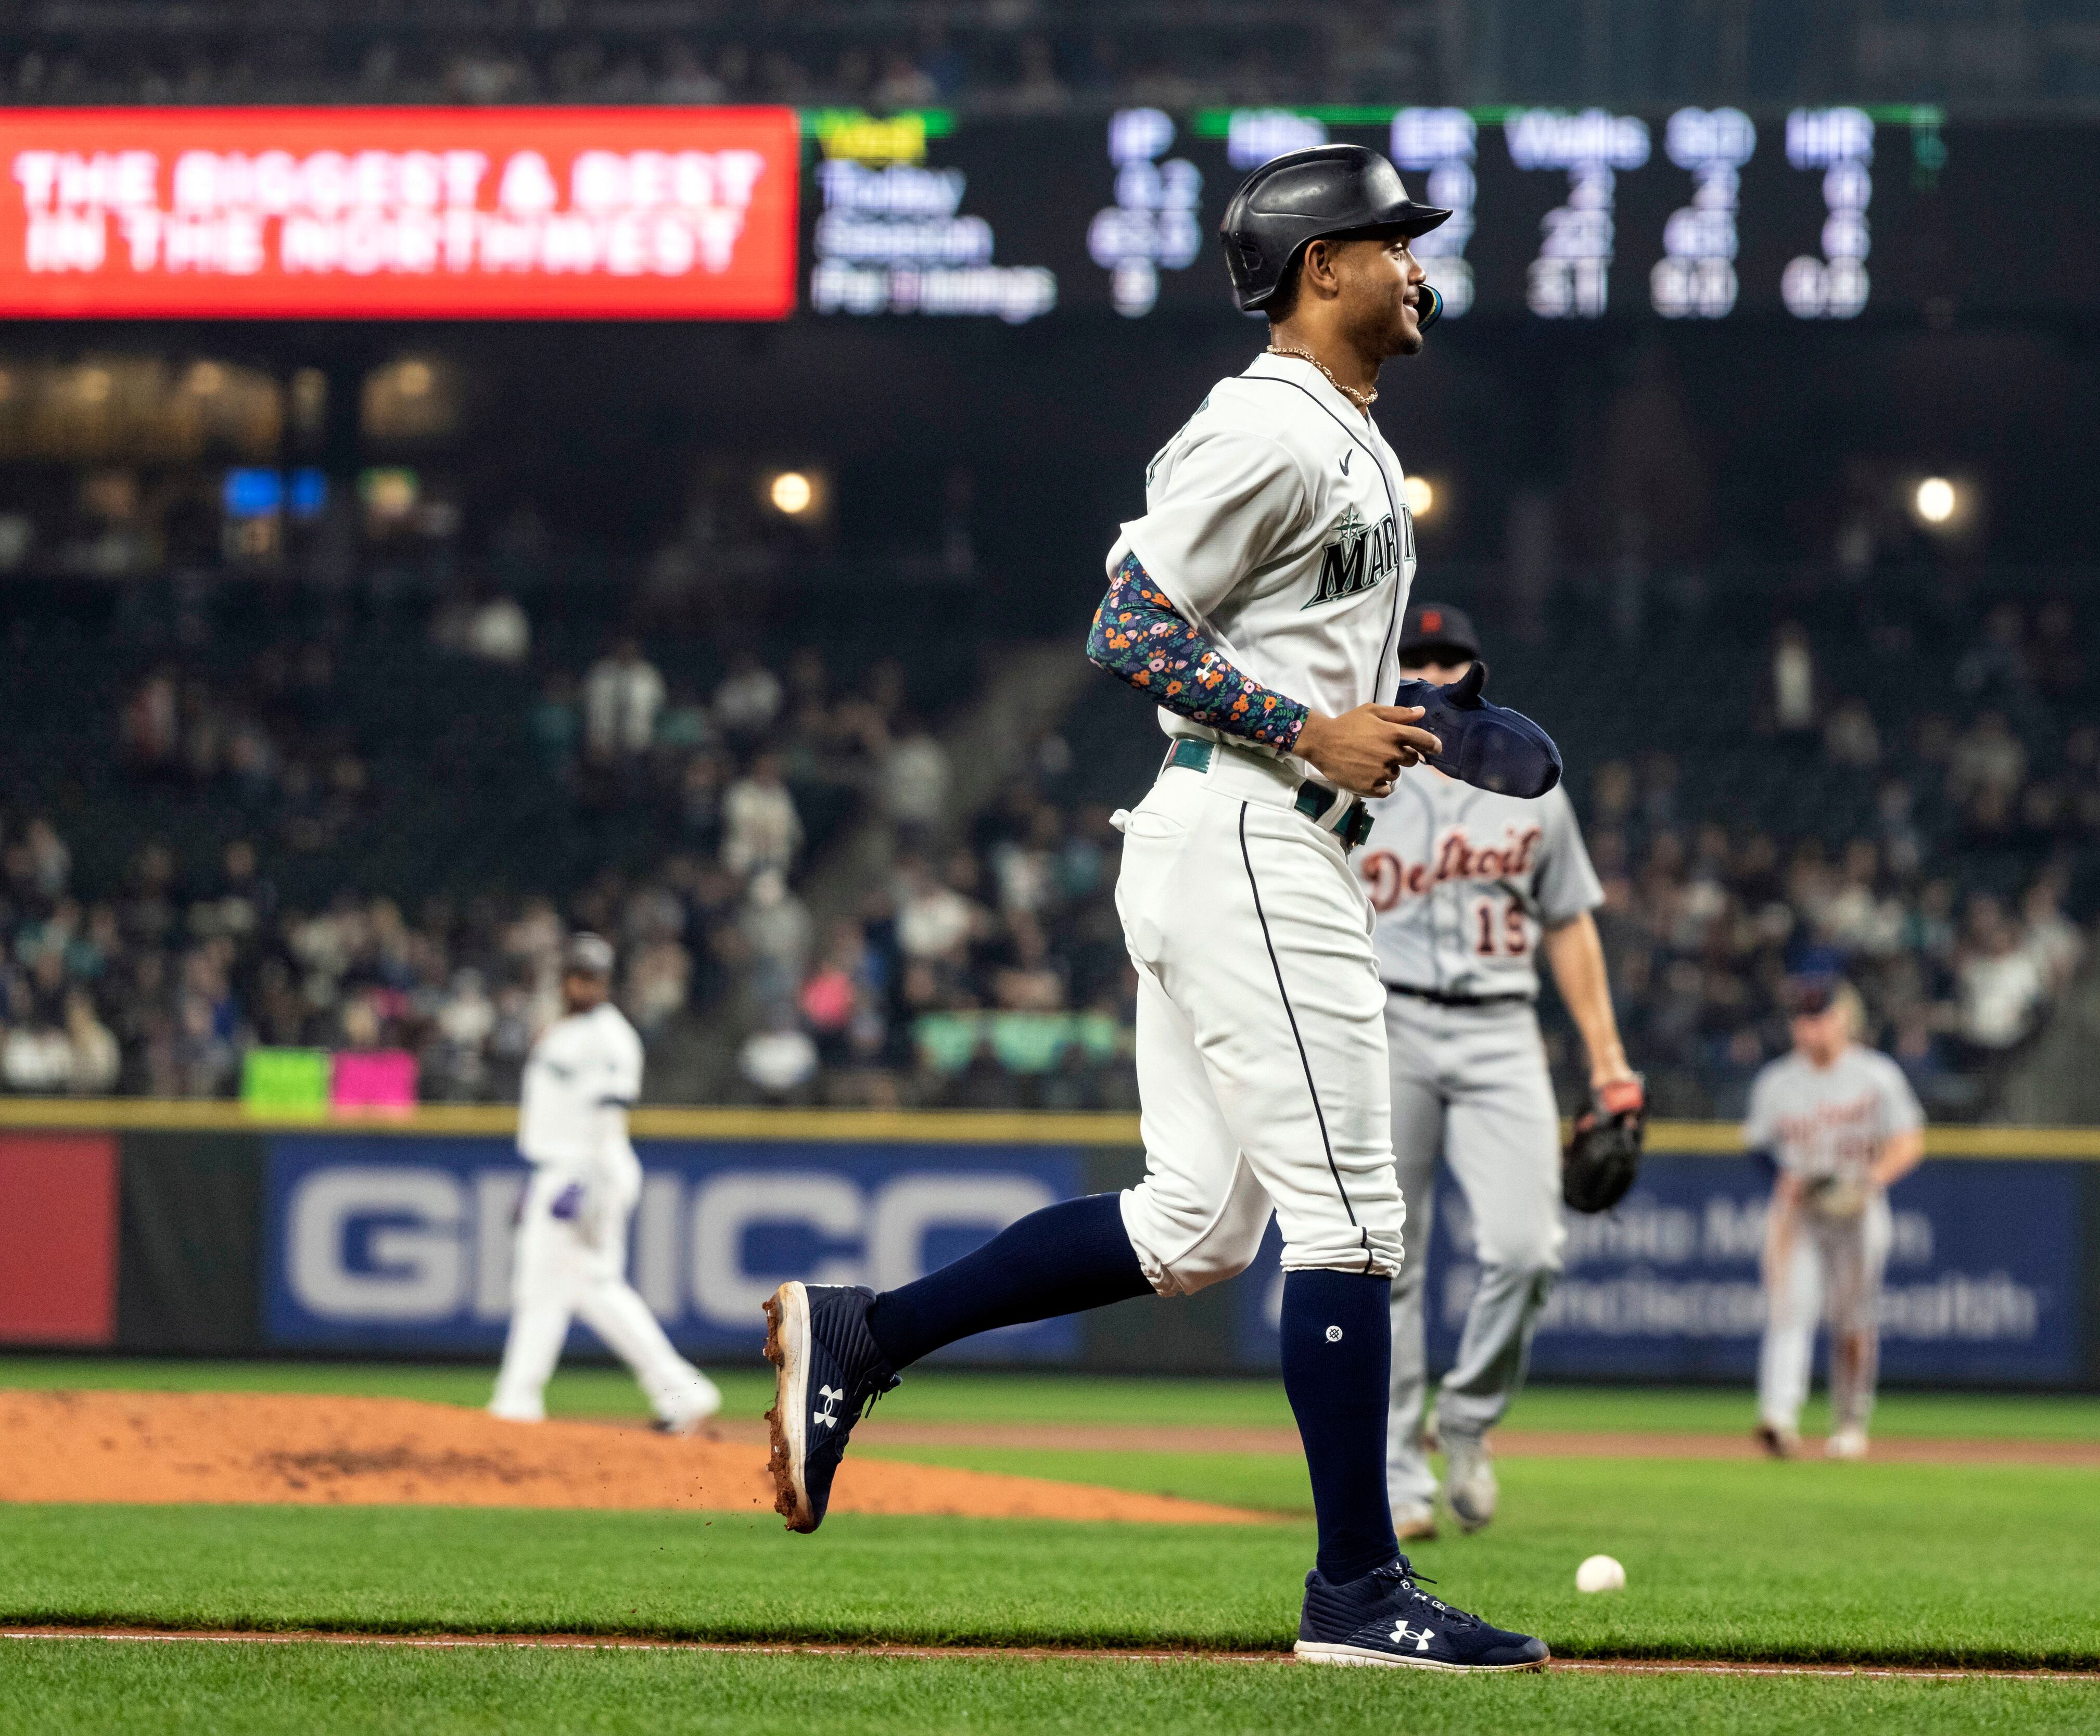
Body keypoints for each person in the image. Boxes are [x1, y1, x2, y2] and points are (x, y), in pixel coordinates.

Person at [760, 145, 1549, 1673]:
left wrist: (1389, 722)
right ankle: (1358, 1592)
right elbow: (1127, 619)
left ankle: (863, 1332)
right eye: (1392, 240)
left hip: (1243, 830)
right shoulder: (1268, 425)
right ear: (1324, 267)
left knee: (1191, 1225)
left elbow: (1287, 653)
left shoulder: (1343, 434)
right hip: (1251, 832)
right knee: (1352, 1223)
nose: (1414, 263)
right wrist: (1309, 730)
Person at [1361, 601, 1638, 1539]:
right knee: (1383, 1261)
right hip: (1386, 1023)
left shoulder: (1529, 782)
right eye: (1419, 657)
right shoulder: (1360, 771)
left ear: (1476, 674)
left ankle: (1469, 1421)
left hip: (1501, 1029)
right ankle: (1399, 1475)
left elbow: (1568, 921)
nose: (1435, 672)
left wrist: (1610, 1065)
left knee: (1529, 1249)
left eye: (1453, 659)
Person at [489, 934, 720, 1433]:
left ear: (605, 981)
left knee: (545, 1287)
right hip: (560, 1169)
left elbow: (608, 1115)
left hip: (591, 1169)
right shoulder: (561, 1030)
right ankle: (681, 1392)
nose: (582, 983)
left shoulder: (610, 1036)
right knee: (589, 1289)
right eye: (576, 974)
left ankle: (516, 1402)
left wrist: (582, 1182)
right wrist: (543, 1180)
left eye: (592, 975)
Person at [1745, 973, 1925, 1461]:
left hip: (1858, 1211)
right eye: (1803, 1019)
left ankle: (1850, 1424)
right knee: (1789, 1310)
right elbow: (1758, 1147)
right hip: (1800, 1212)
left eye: (1819, 1017)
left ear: (1843, 1018)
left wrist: (1874, 1177)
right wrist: (1783, 1177)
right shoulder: (1777, 1081)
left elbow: (1909, 1140)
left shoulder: (1876, 1075)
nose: (1810, 1028)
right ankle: (1779, 1420)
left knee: (1854, 1320)